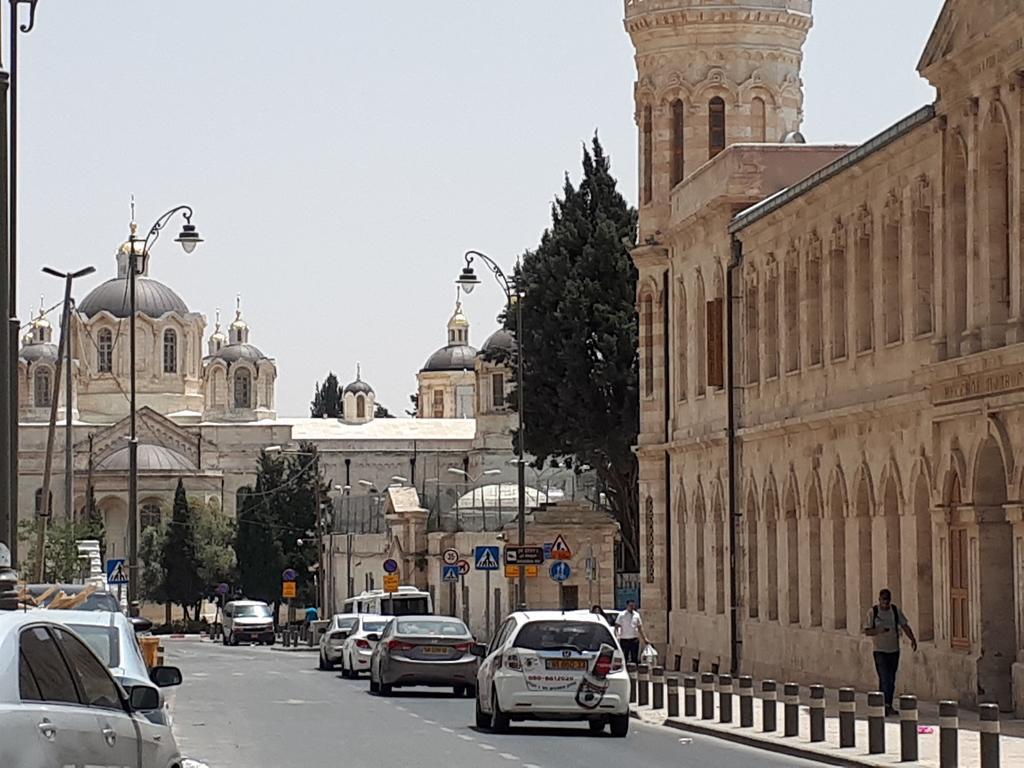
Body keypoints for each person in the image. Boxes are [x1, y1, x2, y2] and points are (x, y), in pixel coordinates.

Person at [863, 588, 918, 715]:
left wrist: (912, 639)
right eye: (883, 600)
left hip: (893, 650)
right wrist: (878, 630)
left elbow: (904, 625)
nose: (885, 603)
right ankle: (883, 705)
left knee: (891, 679)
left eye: (887, 601)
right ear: (879, 600)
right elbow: (866, 631)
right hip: (879, 650)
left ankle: (888, 704)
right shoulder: (873, 612)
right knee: (884, 678)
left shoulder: (895, 611)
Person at [614, 600, 648, 664]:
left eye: (633, 605)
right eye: (630, 606)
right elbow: (616, 626)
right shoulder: (622, 615)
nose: (632, 607)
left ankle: (634, 671)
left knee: (634, 657)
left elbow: (640, 627)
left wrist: (644, 638)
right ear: (627, 606)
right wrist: (617, 636)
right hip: (624, 639)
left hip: (634, 639)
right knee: (625, 657)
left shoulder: (637, 615)